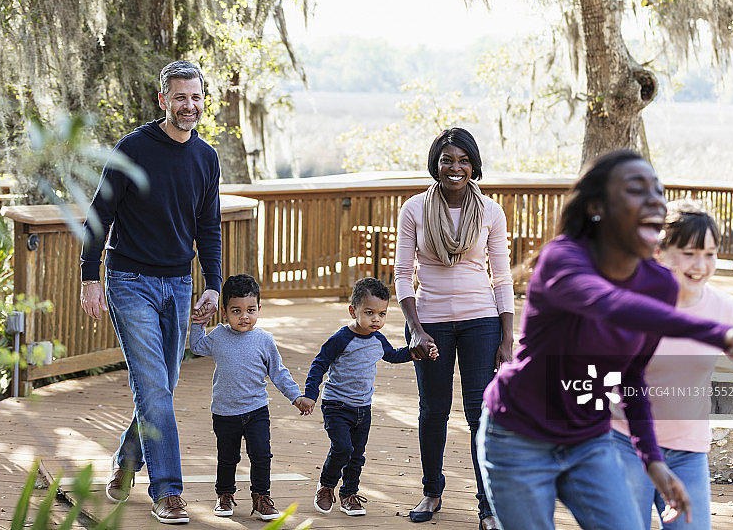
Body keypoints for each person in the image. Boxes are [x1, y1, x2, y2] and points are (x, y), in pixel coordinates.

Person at [477, 149, 733, 530]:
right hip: (518, 437)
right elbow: (610, 305)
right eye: (636, 189)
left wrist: (652, 459)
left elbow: (629, 376)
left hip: (589, 440)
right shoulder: (562, 258)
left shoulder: (658, 283)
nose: (654, 199)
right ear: (598, 206)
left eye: (658, 190)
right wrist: (725, 335)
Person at [80, 60, 222, 524]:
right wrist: (89, 277)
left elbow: (209, 228)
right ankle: (168, 491)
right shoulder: (134, 148)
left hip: (180, 284)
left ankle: (125, 462)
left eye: (196, 97)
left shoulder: (206, 157)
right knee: (155, 389)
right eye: (180, 97)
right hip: (130, 282)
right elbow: (99, 214)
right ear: (163, 100)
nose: (189, 105)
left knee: (165, 385)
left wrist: (213, 285)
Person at [610, 200, 733, 529]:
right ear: (659, 252)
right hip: (625, 443)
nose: (701, 264)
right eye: (690, 252)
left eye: (710, 253)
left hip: (686, 451)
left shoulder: (723, 308)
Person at [393, 127, 514, 530]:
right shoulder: (413, 209)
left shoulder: (491, 211)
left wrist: (507, 334)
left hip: (482, 321)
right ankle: (432, 491)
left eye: (463, 160)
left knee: (480, 414)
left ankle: (488, 506)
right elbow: (401, 274)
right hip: (430, 322)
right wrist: (417, 329)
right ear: (436, 165)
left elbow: (502, 276)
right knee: (433, 411)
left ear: (474, 166)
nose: (455, 167)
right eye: (447, 159)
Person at [303, 277, 435, 517]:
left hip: (363, 408)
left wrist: (417, 352)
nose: (377, 319)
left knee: (356, 455)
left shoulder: (378, 339)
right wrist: (311, 394)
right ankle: (326, 486)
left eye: (382, 314)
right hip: (336, 405)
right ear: (353, 311)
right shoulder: (341, 339)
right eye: (369, 312)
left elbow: (393, 355)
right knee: (342, 447)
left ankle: (349, 495)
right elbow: (318, 364)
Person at [189, 274, 311, 521]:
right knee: (227, 457)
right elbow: (196, 346)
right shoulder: (219, 336)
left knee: (261, 454)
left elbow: (278, 372)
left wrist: (296, 396)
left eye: (250, 310)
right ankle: (224, 495)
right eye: (236, 311)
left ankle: (261, 497)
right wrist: (198, 323)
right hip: (224, 412)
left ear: (259, 309)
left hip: (256, 410)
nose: (244, 316)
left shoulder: (264, 339)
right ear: (224, 313)